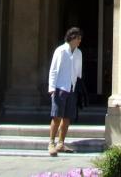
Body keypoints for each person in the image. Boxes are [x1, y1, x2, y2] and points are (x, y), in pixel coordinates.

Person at [47, 27, 83, 157]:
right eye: (78, 38)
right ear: (72, 37)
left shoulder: (79, 53)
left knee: (67, 117)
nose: (80, 41)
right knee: (56, 116)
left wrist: (77, 87)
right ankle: (51, 142)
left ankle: (61, 143)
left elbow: (78, 73)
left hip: (71, 88)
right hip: (59, 88)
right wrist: (52, 89)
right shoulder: (61, 51)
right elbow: (53, 70)